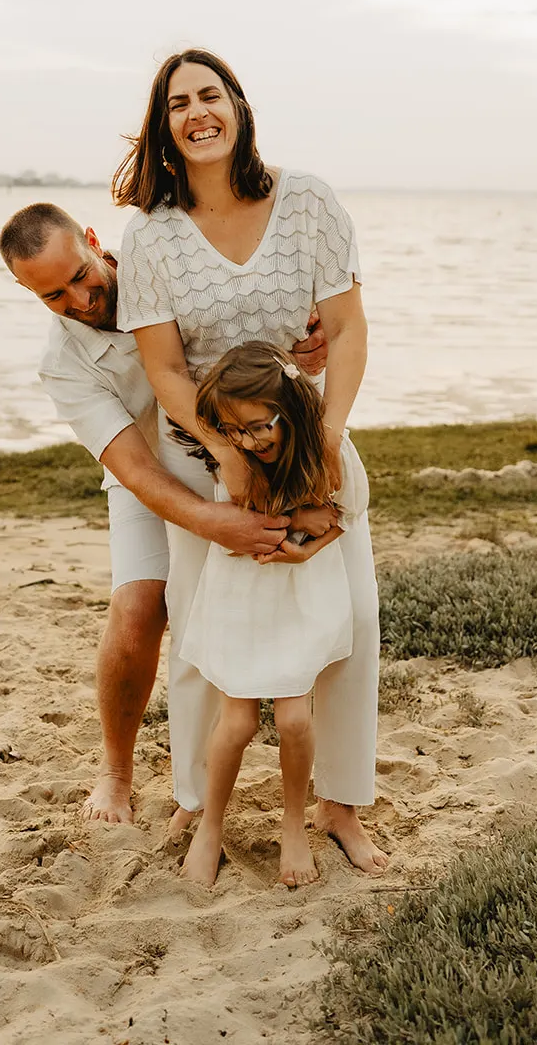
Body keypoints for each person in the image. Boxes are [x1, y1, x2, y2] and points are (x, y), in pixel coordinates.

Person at [115, 47, 388, 875]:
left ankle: (340, 804)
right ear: (163, 127)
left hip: (307, 443)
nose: (197, 112)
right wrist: (225, 452)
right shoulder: (150, 234)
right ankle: (197, 801)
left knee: (349, 622)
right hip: (204, 451)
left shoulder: (306, 200)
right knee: (204, 630)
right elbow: (164, 369)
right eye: (177, 104)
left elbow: (345, 330)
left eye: (210, 95)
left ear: (237, 105)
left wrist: (328, 437)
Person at [0, 202, 326, 826]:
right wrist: (210, 521)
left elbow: (254, 317)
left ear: (93, 240)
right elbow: (132, 467)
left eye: (80, 276)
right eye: (53, 296)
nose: (79, 300)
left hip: (239, 453)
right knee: (140, 606)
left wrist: (307, 341)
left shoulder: (169, 265)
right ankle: (116, 771)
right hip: (145, 475)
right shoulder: (62, 362)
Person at [178, 341, 370, 887]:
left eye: (259, 427)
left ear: (291, 408)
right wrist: (298, 519)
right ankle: (210, 826)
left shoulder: (329, 451)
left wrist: (309, 546)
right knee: (237, 722)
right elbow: (244, 521)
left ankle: (293, 825)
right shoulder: (236, 461)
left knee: (294, 719)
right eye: (234, 430)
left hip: (297, 600)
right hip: (240, 598)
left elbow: (348, 513)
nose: (248, 441)